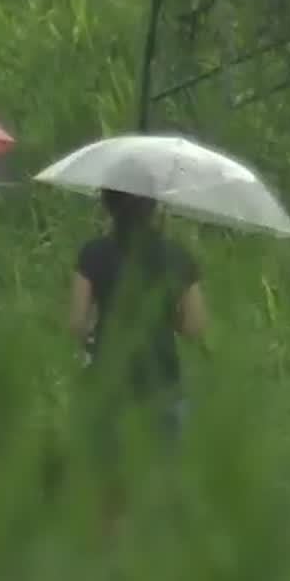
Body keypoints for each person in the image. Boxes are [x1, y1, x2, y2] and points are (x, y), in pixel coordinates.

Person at [66, 189, 208, 522]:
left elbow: (76, 323)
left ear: (107, 204)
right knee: (162, 477)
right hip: (163, 384)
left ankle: (109, 555)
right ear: (154, 206)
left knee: (108, 484)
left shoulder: (93, 254)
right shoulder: (176, 256)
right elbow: (195, 327)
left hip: (107, 382)